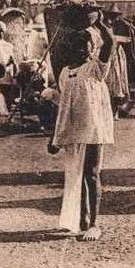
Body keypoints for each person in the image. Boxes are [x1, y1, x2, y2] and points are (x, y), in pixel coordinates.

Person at [48, 13, 115, 241]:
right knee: (75, 174)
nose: (82, 49)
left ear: (92, 48)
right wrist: (53, 137)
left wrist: (99, 21)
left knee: (92, 173)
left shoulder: (96, 69)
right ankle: (82, 220)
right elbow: (63, 106)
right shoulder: (65, 73)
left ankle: (94, 224)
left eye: (86, 45)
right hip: (73, 130)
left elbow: (110, 43)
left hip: (94, 128)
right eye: (77, 45)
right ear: (70, 48)